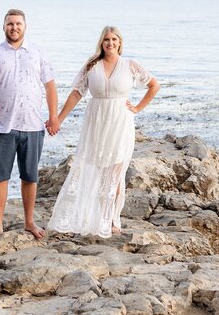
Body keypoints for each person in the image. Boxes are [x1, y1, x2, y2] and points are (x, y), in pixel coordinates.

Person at [47, 26, 160, 238]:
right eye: (106, 39)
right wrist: (59, 119)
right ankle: (100, 217)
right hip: (96, 121)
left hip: (120, 121)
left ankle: (111, 219)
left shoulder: (130, 65)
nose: (110, 43)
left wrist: (137, 108)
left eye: (114, 39)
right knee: (98, 169)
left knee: (115, 171)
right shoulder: (92, 65)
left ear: (120, 42)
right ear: (101, 42)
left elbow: (154, 85)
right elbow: (76, 93)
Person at [0, 8, 59, 239]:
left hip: (32, 125)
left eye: (18, 24)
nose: (14, 27)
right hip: (2, 125)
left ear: (25, 27)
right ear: (4, 27)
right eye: (10, 24)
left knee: (30, 176)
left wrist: (54, 117)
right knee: (0, 176)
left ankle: (29, 222)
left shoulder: (37, 53)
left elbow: (50, 86)